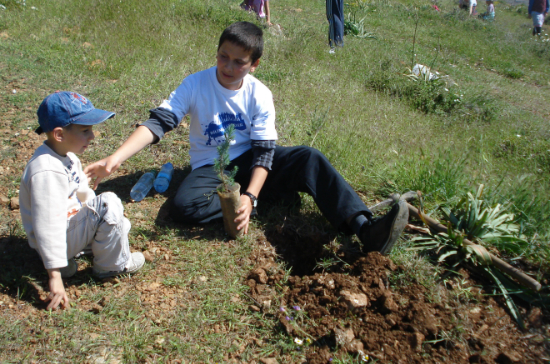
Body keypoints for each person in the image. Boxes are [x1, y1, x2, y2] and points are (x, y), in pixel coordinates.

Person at [85, 22, 409, 257]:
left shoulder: (260, 94)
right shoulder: (195, 84)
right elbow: (161, 121)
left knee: (308, 158)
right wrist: (115, 159)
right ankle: (263, 197)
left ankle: (365, 227)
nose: (228, 66)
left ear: (254, 65)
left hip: (252, 160)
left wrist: (250, 197)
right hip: (213, 166)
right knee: (183, 207)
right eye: (223, 56)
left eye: (239, 61)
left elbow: (265, 153)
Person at [20, 92, 145, 311]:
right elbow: (47, 225)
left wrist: (86, 192)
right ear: (59, 134)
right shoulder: (46, 170)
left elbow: (78, 193)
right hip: (59, 235)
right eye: (85, 130)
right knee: (109, 203)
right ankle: (110, 266)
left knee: (121, 224)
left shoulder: (68, 156)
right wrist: (55, 277)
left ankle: (67, 260)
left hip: (69, 232)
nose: (93, 136)